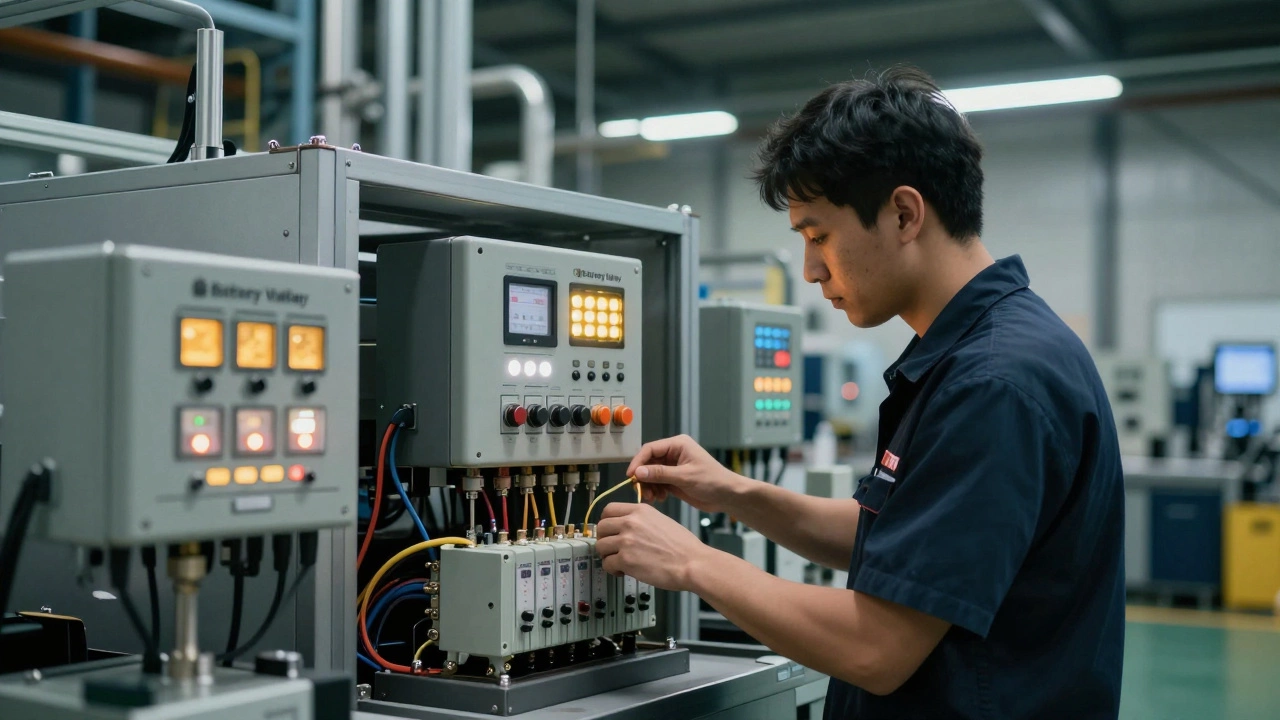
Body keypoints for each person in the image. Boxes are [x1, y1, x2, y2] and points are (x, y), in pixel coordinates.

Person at [593, 66, 1125, 719]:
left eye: (818, 235)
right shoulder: (980, 352)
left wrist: (693, 563)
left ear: (904, 213)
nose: (812, 270)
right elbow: (905, 541)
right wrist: (733, 491)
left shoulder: (995, 382)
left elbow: (878, 647)